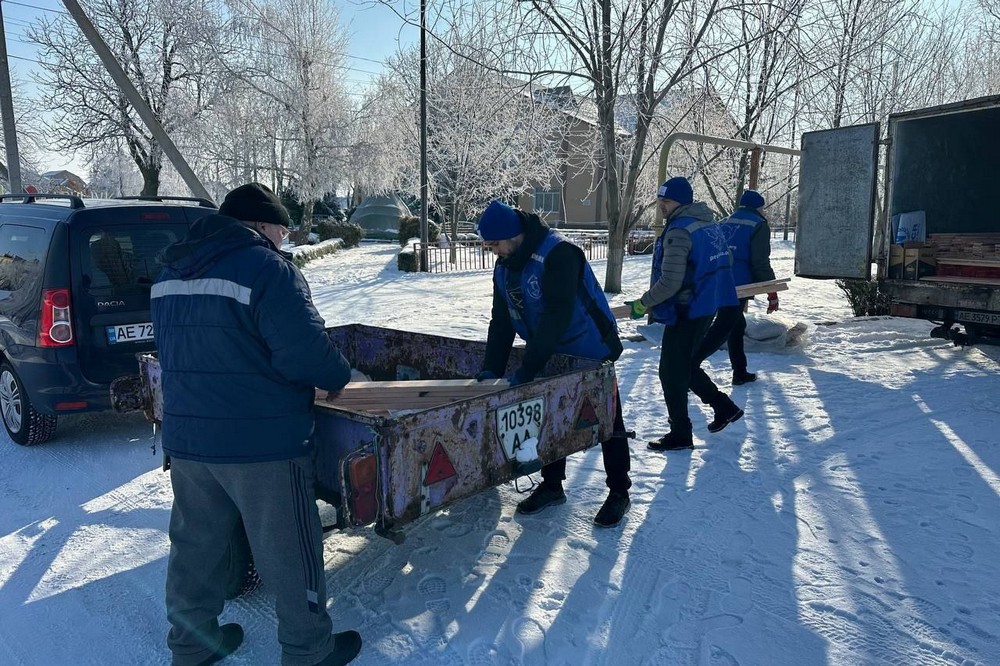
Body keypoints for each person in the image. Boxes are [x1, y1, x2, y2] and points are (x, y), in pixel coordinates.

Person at [152, 183, 362, 666]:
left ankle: (191, 644)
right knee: (289, 549)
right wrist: (336, 376)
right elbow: (306, 353)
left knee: (195, 545)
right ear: (261, 226)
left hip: (188, 441)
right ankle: (309, 651)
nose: (284, 239)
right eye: (281, 230)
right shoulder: (268, 270)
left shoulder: (168, 272)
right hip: (260, 444)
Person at [475, 200, 633, 528]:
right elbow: (501, 321)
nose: (493, 252)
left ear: (513, 235)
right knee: (548, 416)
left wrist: (527, 370)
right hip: (548, 349)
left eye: (494, 244)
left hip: (589, 347)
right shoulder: (505, 265)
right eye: (488, 246)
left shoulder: (559, 254)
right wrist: (492, 368)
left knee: (607, 419)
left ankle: (619, 491)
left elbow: (556, 316)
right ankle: (552, 485)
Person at [625, 177, 743, 451]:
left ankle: (681, 433)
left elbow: (669, 282)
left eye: (666, 201)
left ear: (681, 201)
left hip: (686, 310)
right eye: (660, 201)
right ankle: (723, 407)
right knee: (685, 366)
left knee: (670, 371)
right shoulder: (708, 225)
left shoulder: (680, 231)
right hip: (707, 305)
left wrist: (644, 303)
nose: (662, 206)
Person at [693, 189, 778, 385]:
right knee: (723, 326)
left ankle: (739, 372)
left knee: (736, 325)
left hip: (718, 279)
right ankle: (690, 367)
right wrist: (772, 293)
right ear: (759, 207)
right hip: (739, 285)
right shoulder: (758, 225)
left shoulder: (724, 222)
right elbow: (760, 263)